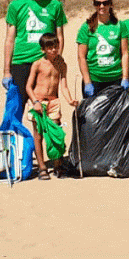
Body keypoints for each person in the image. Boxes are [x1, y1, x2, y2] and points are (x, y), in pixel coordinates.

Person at [2, 0, 67, 105]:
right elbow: (9, 39)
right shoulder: (15, 5)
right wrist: (6, 71)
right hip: (21, 62)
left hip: (45, 63)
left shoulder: (55, 5)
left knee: (44, 111)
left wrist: (56, 61)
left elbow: (60, 36)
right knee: (15, 108)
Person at [27, 33, 78, 180]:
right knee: (38, 135)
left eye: (56, 47)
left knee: (56, 134)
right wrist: (35, 102)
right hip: (38, 103)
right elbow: (29, 87)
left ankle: (57, 165)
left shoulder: (61, 64)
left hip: (54, 103)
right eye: (50, 48)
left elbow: (64, 85)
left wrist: (70, 100)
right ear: (43, 49)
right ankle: (42, 167)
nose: (54, 50)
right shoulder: (37, 64)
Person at [76, 0, 129, 98]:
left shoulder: (120, 26)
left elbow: (125, 54)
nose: (101, 6)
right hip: (94, 80)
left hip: (115, 80)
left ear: (111, 4)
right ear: (94, 5)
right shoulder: (86, 27)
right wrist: (87, 82)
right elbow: (81, 57)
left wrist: (125, 78)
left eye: (105, 3)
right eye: (98, 3)